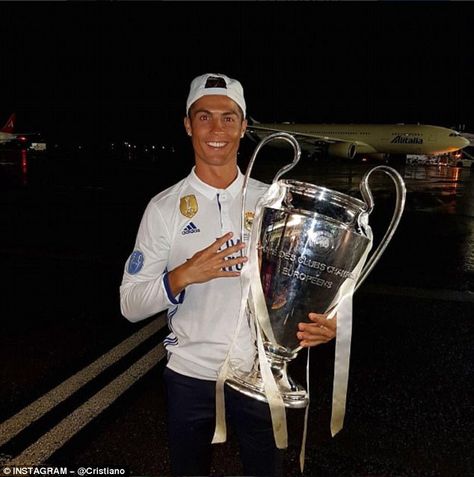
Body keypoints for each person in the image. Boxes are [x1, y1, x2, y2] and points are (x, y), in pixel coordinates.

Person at [120, 73, 337, 477]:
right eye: (204, 117)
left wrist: (320, 322)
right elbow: (130, 305)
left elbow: (303, 284)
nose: (216, 129)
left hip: (260, 375)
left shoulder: (274, 201)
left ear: (243, 126)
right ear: (188, 125)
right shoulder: (164, 208)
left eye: (228, 117)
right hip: (189, 376)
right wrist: (182, 276)